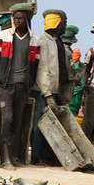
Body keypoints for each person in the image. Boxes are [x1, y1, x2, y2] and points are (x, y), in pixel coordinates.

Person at [0, 3, 40, 168]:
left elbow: (35, 65)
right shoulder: (2, 36)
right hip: (5, 85)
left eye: (21, 18)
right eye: (15, 18)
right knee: (8, 118)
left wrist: (29, 83)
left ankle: (13, 156)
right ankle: (5, 158)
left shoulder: (35, 40)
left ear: (27, 20)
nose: (17, 21)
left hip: (22, 86)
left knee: (17, 122)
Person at [30, 9, 69, 164]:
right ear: (56, 23)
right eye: (63, 23)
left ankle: (46, 157)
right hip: (41, 92)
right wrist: (47, 95)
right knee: (39, 126)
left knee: (50, 127)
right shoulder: (43, 41)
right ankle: (36, 158)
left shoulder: (54, 41)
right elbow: (43, 70)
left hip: (50, 91)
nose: (63, 27)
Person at [60, 24, 84, 106]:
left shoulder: (58, 49)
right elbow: (71, 75)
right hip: (62, 93)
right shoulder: (67, 52)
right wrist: (82, 70)